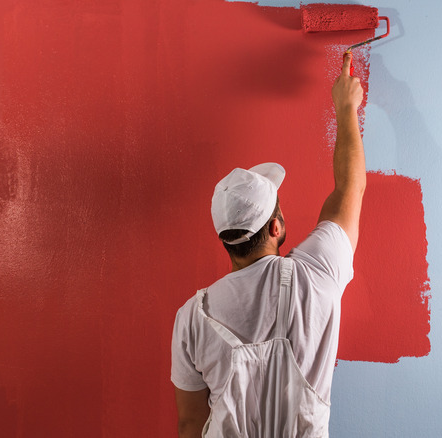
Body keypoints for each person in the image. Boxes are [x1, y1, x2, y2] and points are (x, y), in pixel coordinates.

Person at [171, 53, 366, 437]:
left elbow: (190, 423)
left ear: (225, 238)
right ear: (276, 226)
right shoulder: (318, 272)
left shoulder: (192, 318)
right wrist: (346, 108)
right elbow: (349, 187)